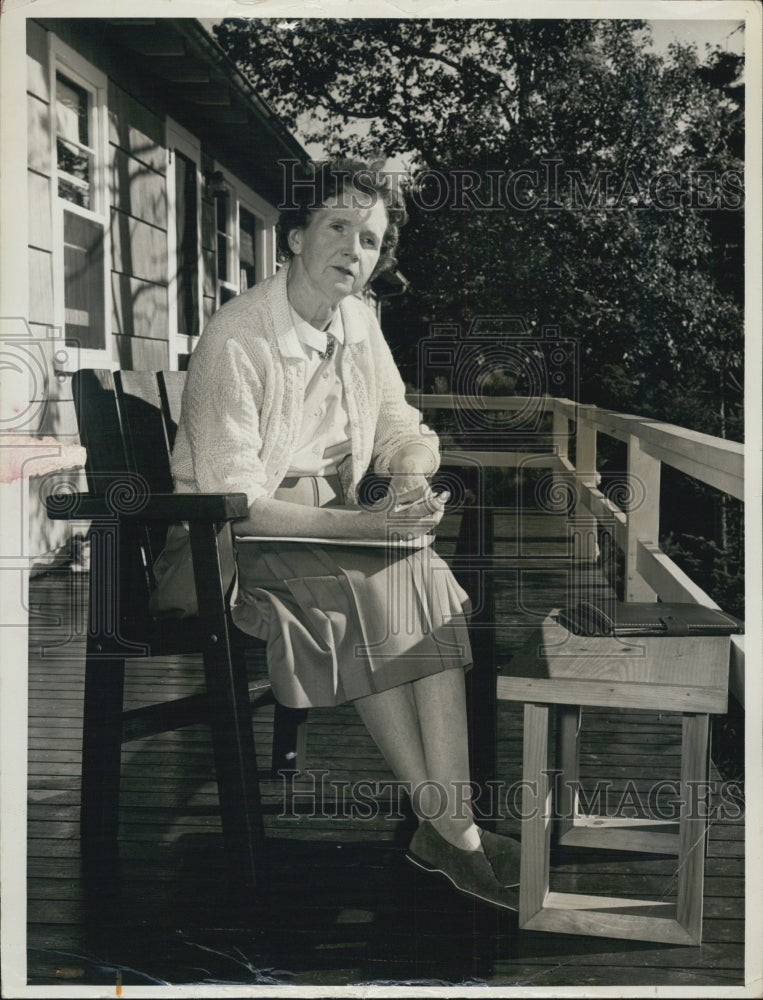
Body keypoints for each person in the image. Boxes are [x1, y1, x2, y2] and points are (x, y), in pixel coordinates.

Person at [152, 159, 520, 910]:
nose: (355, 249)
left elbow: (401, 427)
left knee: (424, 582)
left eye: (371, 238)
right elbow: (234, 499)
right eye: (338, 227)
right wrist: (361, 522)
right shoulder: (238, 337)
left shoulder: (358, 324)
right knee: (376, 586)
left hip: (321, 532)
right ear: (295, 237)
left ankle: (449, 828)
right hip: (216, 546)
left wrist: (411, 478)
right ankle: (453, 831)